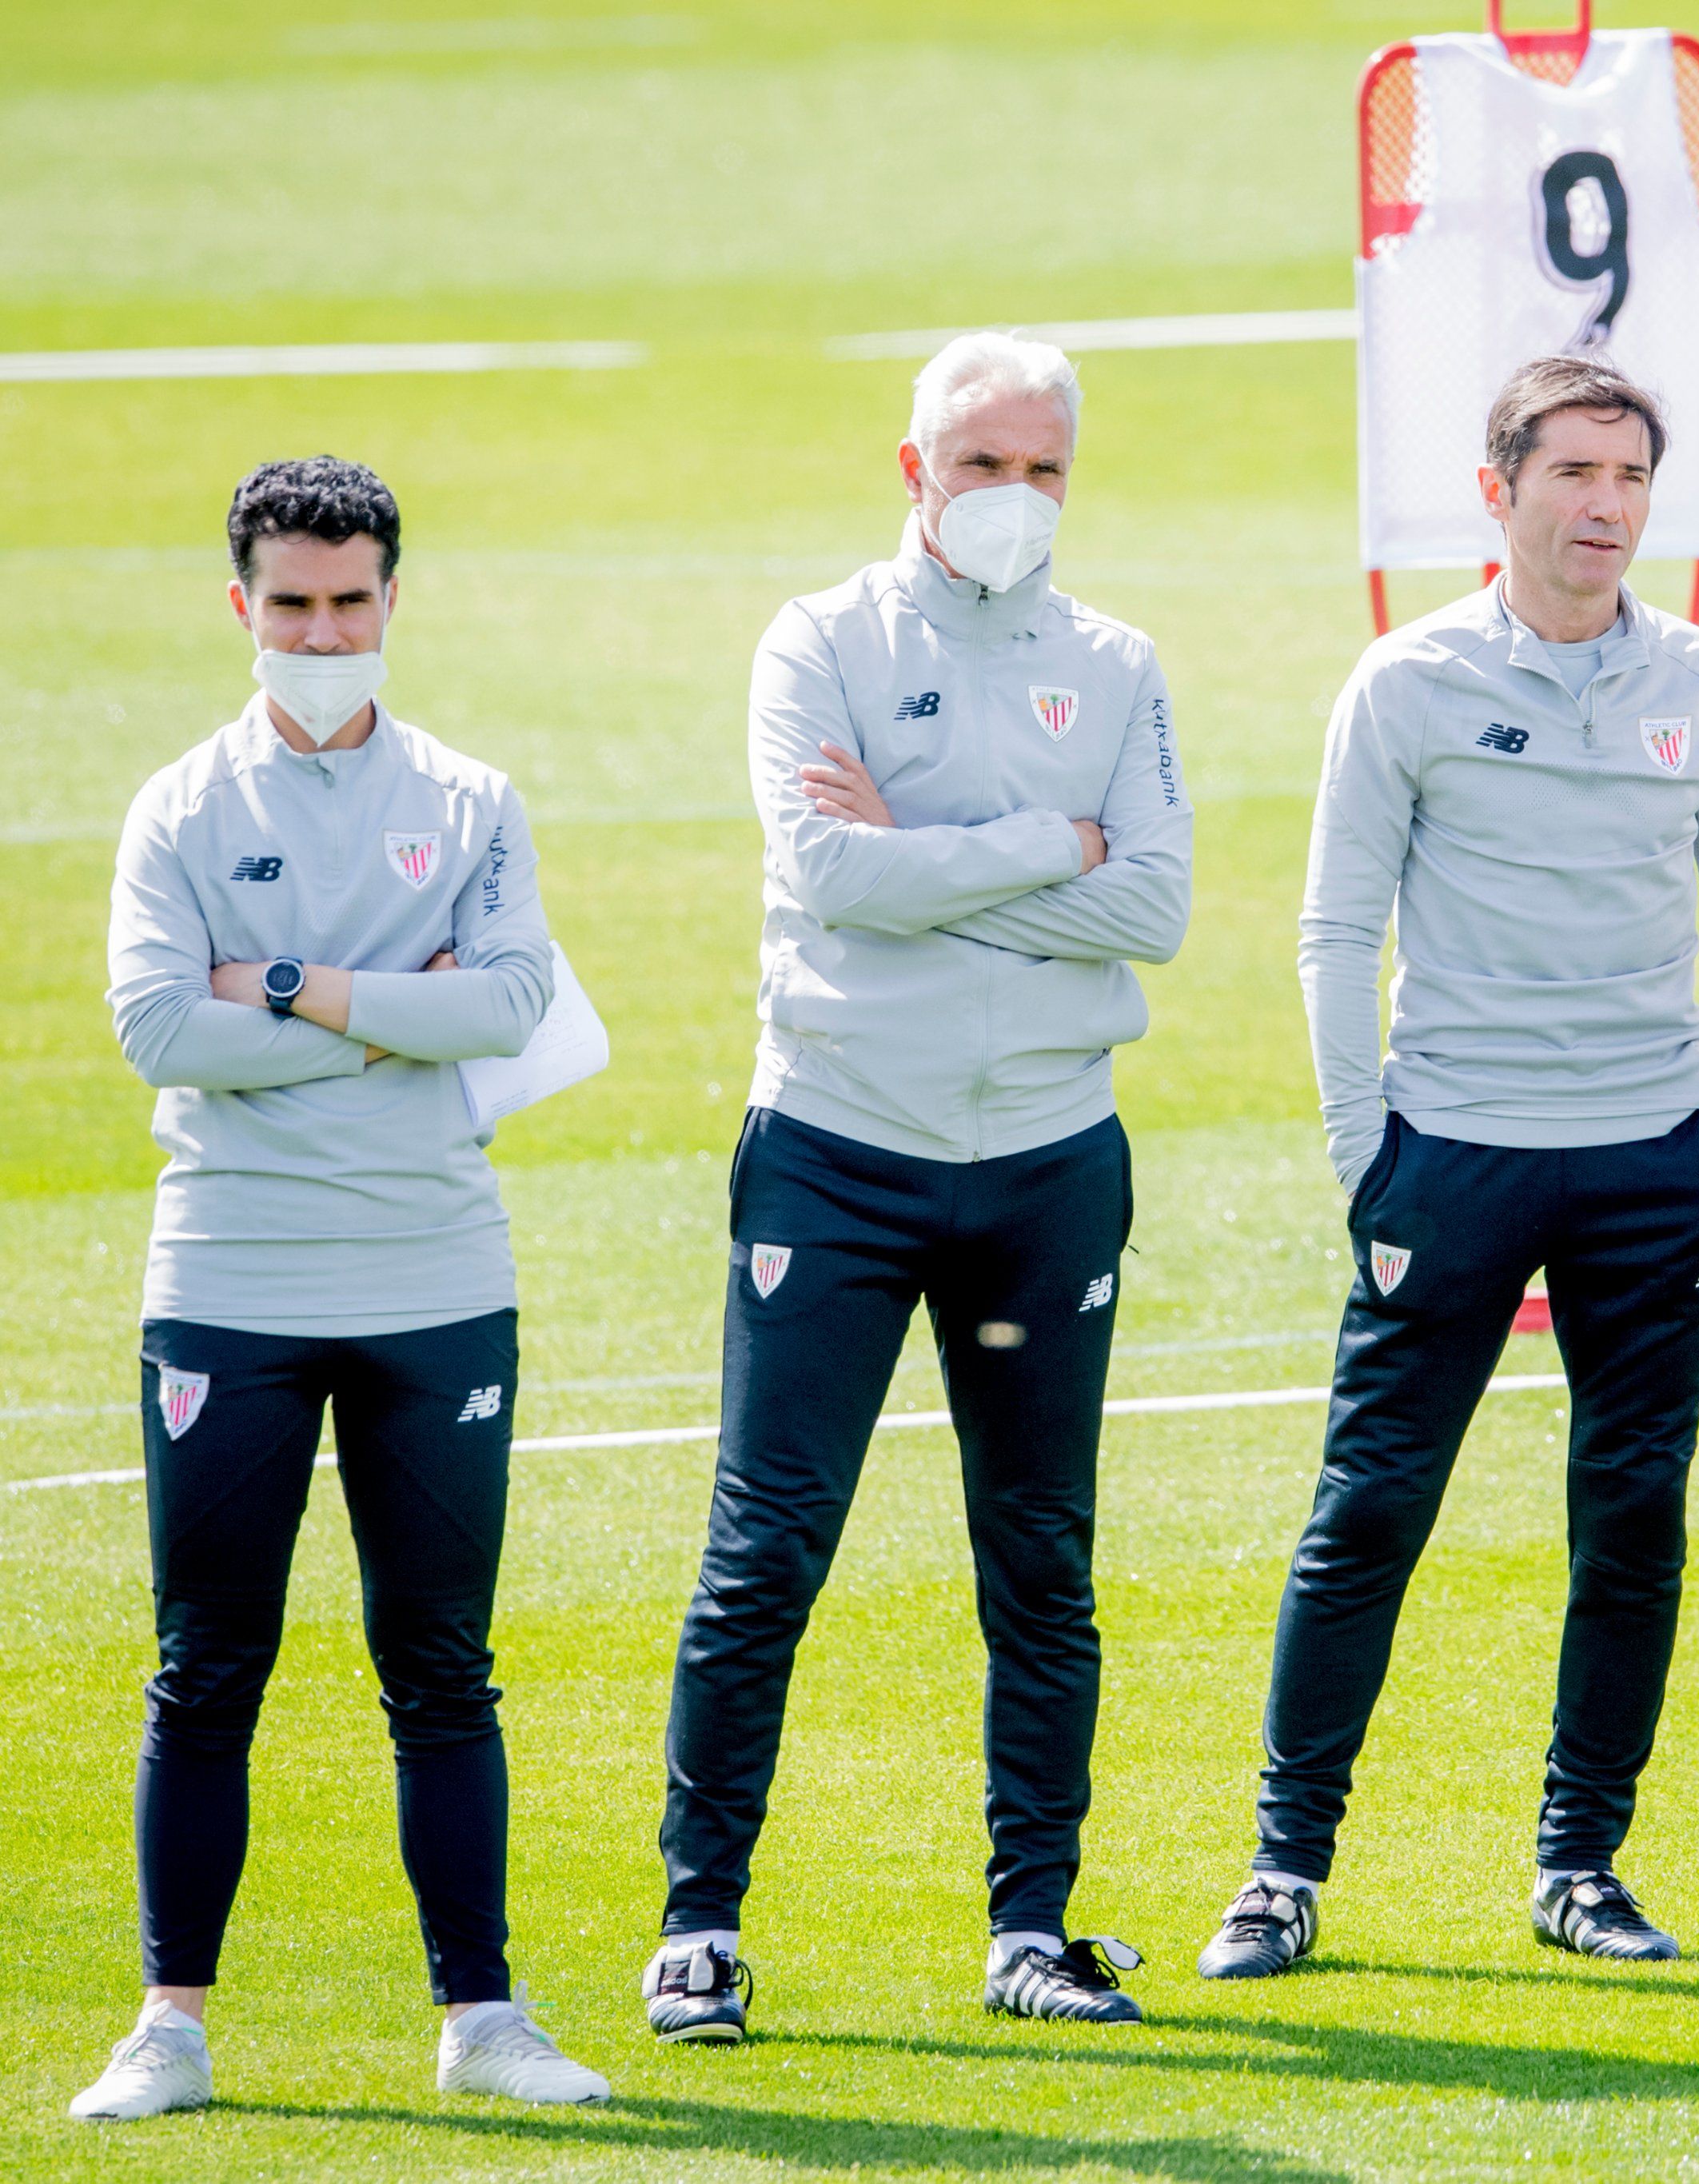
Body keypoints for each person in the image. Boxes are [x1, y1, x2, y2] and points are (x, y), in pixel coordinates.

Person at [1196, 355, 1699, 1978]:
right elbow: (1334, 927)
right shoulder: (1403, 682)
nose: (1605, 508)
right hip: (1449, 1157)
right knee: (1366, 1512)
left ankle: (1578, 1864)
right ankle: (1281, 1868)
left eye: (1629, 480)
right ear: (1498, 488)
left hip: (1655, 1166)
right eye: (1574, 475)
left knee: (1630, 1516)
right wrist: (1361, 1155)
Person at [644, 331, 1190, 2041]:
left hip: (1044, 1165)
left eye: (1042, 471)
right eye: (980, 466)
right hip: (837, 1152)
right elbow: (822, 869)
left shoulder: (1115, 664)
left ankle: (1031, 1925)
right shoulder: (818, 640)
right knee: (766, 1547)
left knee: (1040, 1555)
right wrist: (1053, 847)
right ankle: (698, 1924)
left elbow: (1153, 908)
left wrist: (930, 867)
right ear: (913, 471)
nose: (1011, 499)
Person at [78, 457, 605, 2121]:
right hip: (229, 1278)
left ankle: (483, 2017)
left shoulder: (469, 798)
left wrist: (291, 985)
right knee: (206, 1662)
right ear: (242, 608)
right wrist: (397, 1002)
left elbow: (512, 1000)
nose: (323, 630)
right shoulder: (179, 807)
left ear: (392, 602)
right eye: (292, 604)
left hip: (436, 1280)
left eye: (350, 601)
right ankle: (169, 2025)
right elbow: (162, 1030)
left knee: (440, 1663)